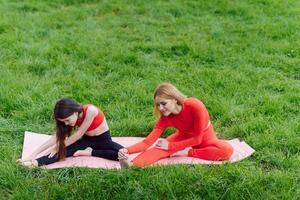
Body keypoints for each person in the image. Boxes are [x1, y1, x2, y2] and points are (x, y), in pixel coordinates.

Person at [118, 83, 233, 168]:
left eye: (163, 103)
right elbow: (147, 142)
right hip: (183, 137)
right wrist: (127, 150)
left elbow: (197, 139)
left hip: (205, 138)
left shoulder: (194, 105)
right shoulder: (165, 118)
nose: (160, 108)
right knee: (159, 149)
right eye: (158, 105)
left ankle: (188, 152)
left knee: (226, 150)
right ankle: (132, 166)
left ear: (174, 99)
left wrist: (173, 147)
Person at [17, 98, 124, 167]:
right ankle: (33, 163)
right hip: (87, 140)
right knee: (62, 152)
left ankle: (90, 152)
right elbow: (56, 137)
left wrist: (58, 147)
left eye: (67, 120)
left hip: (103, 139)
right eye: (64, 122)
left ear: (75, 112)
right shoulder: (68, 120)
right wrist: (33, 154)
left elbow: (78, 135)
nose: (66, 124)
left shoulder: (90, 111)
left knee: (122, 153)